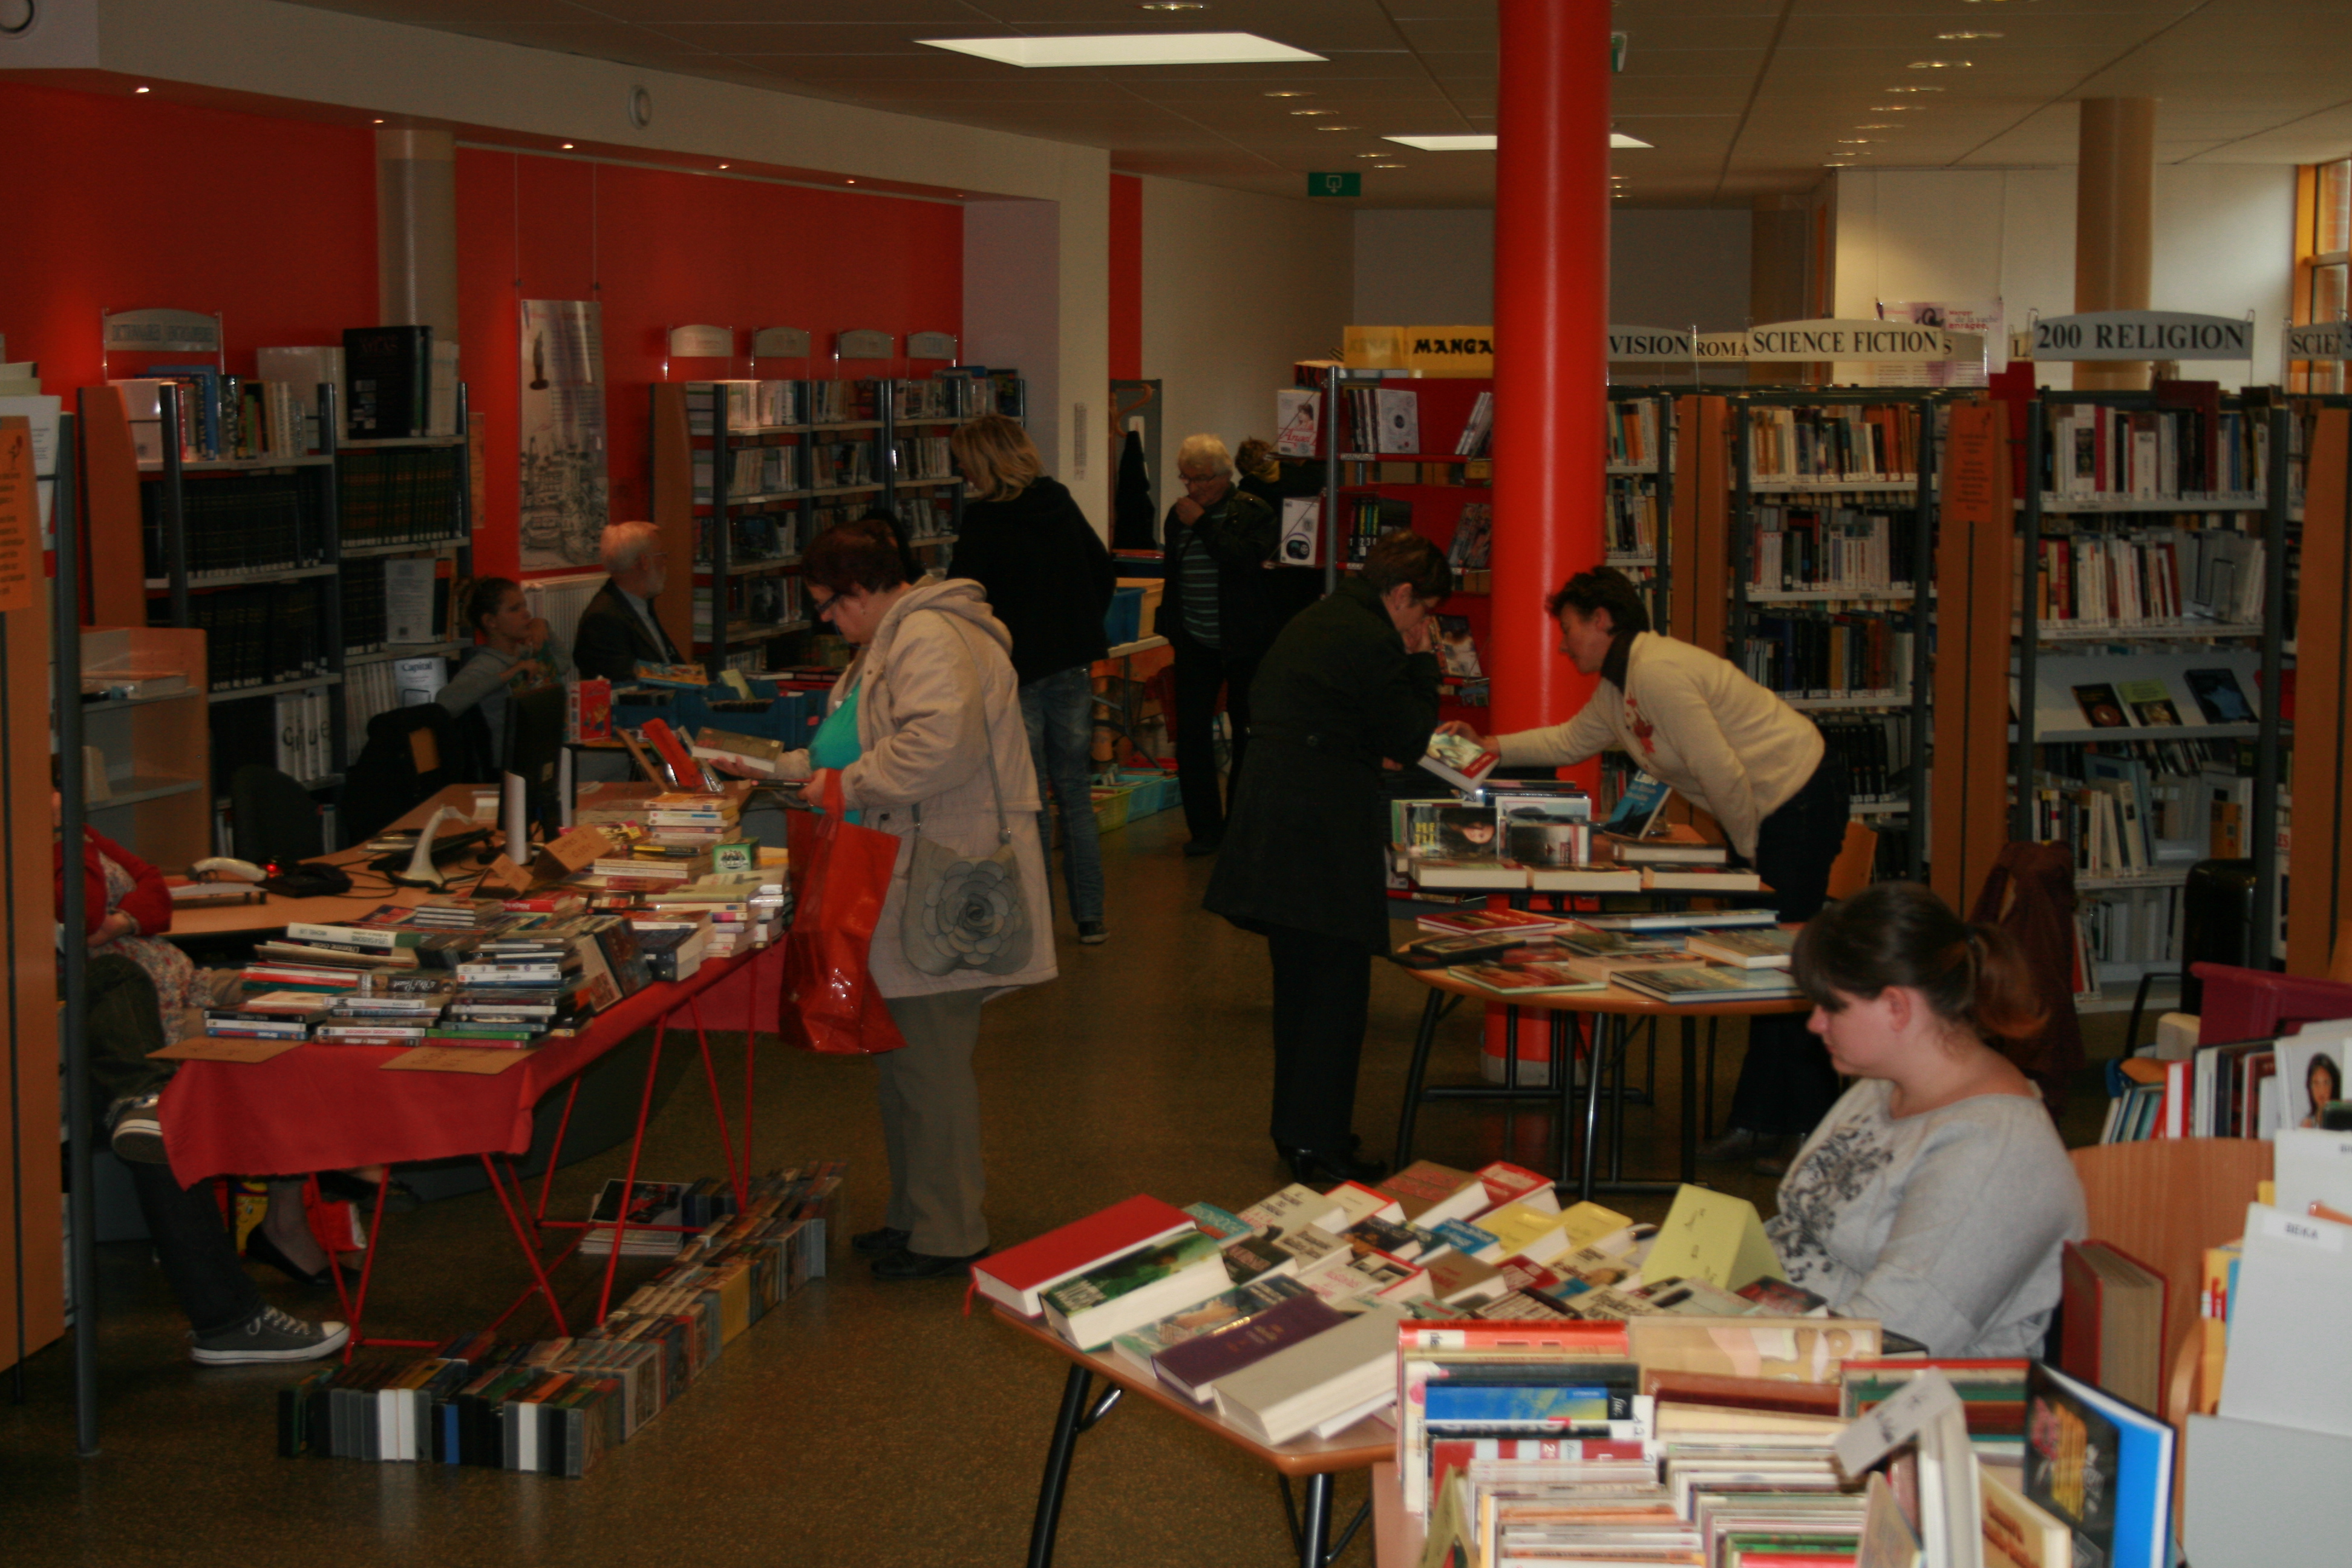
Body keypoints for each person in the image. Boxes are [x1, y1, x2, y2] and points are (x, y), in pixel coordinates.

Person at [714, 518, 1057, 1280]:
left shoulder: (928, 636)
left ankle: (951, 1233)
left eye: (832, 606)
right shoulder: (899, 637)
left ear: (864, 589)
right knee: (904, 1061)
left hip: (939, 871)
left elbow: (939, 745)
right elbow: (864, 736)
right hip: (905, 864)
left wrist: (848, 784)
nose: (828, 622)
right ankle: (915, 1216)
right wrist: (796, 769)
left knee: (930, 1064)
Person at [1440, 565, 1849, 1171]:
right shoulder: (1620, 683)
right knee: (1764, 964)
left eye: (1570, 628)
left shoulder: (1658, 672)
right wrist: (1493, 745)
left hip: (1794, 799)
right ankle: (1760, 1123)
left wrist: (1751, 860)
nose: (1562, 641)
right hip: (1763, 818)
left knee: (1782, 968)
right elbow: (1569, 741)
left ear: (1602, 621)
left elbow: (1724, 773)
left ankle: (1806, 1132)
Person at [56, 805, 348, 1363]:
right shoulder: (41, 847)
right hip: (128, 1020)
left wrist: (120, 920)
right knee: (164, 1119)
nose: (54, 796)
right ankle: (232, 1320)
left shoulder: (75, 833)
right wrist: (60, 843)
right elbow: (80, 915)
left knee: (311, 1002)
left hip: (178, 980)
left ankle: (283, 1216)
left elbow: (153, 888)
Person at [1205, 529, 1450, 1184]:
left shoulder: (1322, 616)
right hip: (1319, 833)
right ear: (1401, 595)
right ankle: (1321, 1147)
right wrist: (1423, 662)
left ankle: (1300, 1133)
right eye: (1424, 611)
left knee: (1301, 991)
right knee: (1336, 994)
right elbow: (1412, 732)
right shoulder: (1373, 637)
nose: (1425, 624)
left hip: (1278, 819)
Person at [1765, 882, 2086, 1357]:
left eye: (1832, 1007)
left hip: (1902, 1399)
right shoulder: (1884, 1083)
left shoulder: (1996, 1153)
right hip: (1794, 1342)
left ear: (1897, 1007)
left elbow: (1892, 1346)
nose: (1816, 1024)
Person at [946, 414, 1118, 944]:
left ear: (982, 462)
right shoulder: (1059, 501)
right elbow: (1102, 571)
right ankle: (1090, 917)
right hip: (1071, 663)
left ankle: (1039, 918)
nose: (962, 473)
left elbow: (962, 596)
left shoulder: (983, 522)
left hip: (1016, 670)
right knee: (1073, 791)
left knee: (1029, 797)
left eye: (964, 463)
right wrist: (1079, 627)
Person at [1160, 434, 1279, 857]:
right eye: (1185, 479)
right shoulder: (1177, 517)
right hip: (1194, 639)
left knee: (1247, 735)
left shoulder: (1254, 511)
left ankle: (1241, 830)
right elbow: (1173, 575)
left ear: (1224, 476)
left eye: (1200, 480)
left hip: (1244, 641)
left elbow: (1245, 562)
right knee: (1191, 737)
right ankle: (1204, 830)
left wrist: (1203, 524)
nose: (1191, 488)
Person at [439, 576, 575, 769]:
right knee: (621, 763)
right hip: (514, 764)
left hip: (548, 752)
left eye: (524, 606)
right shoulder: (484, 665)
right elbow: (445, 702)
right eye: (515, 609)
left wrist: (544, 626)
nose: (526, 614)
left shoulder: (526, 654)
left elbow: (562, 664)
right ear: (491, 622)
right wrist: (509, 674)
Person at [572, 520, 685, 680]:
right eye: (662, 556)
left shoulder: (640, 603)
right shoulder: (603, 620)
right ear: (644, 562)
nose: (665, 562)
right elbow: (625, 683)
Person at [2302, 1053, 2342, 1129]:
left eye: (2326, 1083)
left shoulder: (2344, 1121)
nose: (2321, 1090)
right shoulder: (2308, 1125)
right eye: (2316, 1083)